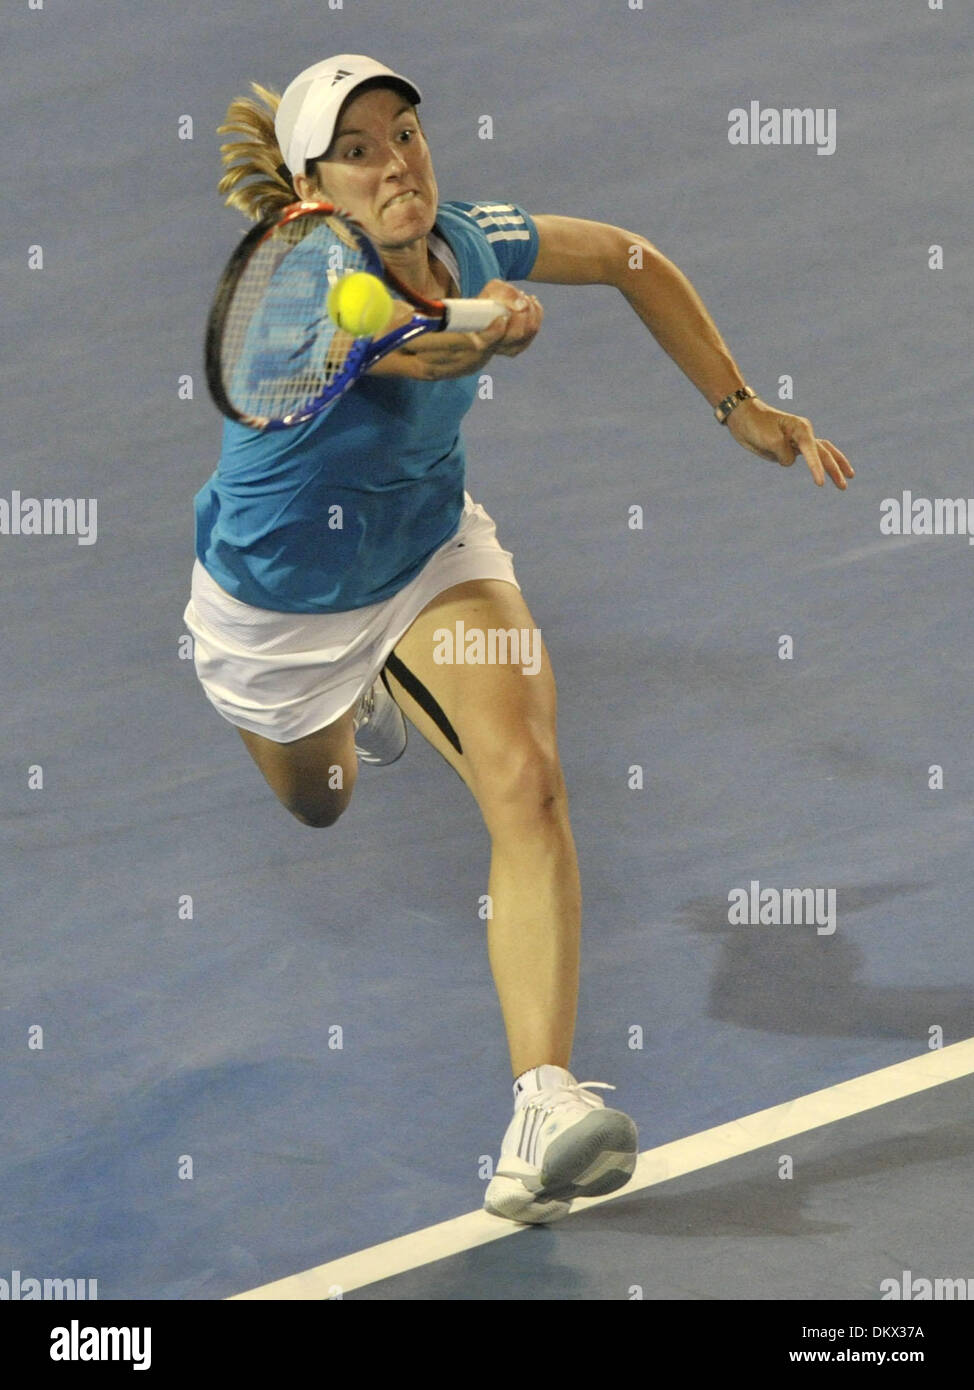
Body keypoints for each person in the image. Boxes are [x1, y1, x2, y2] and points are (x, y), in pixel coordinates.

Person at [183, 54, 854, 1227]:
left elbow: (627, 257)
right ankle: (365, 703)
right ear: (309, 192)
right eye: (357, 151)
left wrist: (736, 401)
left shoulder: (469, 230)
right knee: (321, 798)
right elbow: (423, 348)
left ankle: (540, 1104)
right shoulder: (308, 283)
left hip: (429, 552)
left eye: (403, 133)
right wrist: (482, 328)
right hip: (276, 612)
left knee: (530, 783)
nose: (393, 162)